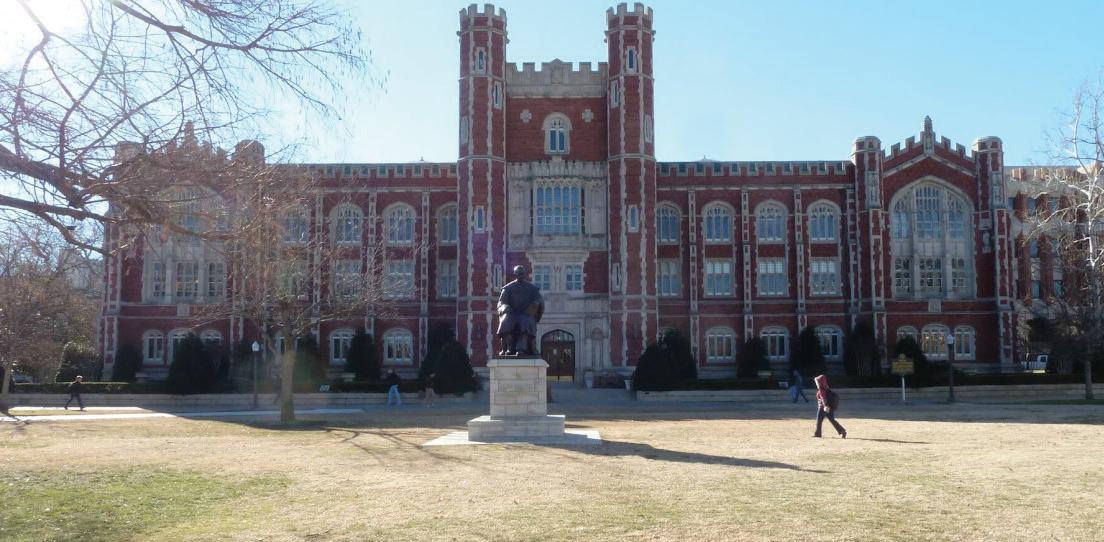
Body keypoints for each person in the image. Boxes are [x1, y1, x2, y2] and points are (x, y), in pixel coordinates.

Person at [496, 265, 544, 355]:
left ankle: (521, 349)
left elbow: (539, 299)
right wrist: (504, 307)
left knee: (524, 322)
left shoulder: (532, 288)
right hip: (511, 313)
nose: (520, 275)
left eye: (522, 274)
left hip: (526, 314)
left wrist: (536, 304)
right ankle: (509, 347)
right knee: (505, 322)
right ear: (515, 274)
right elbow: (501, 302)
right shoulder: (508, 288)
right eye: (518, 274)